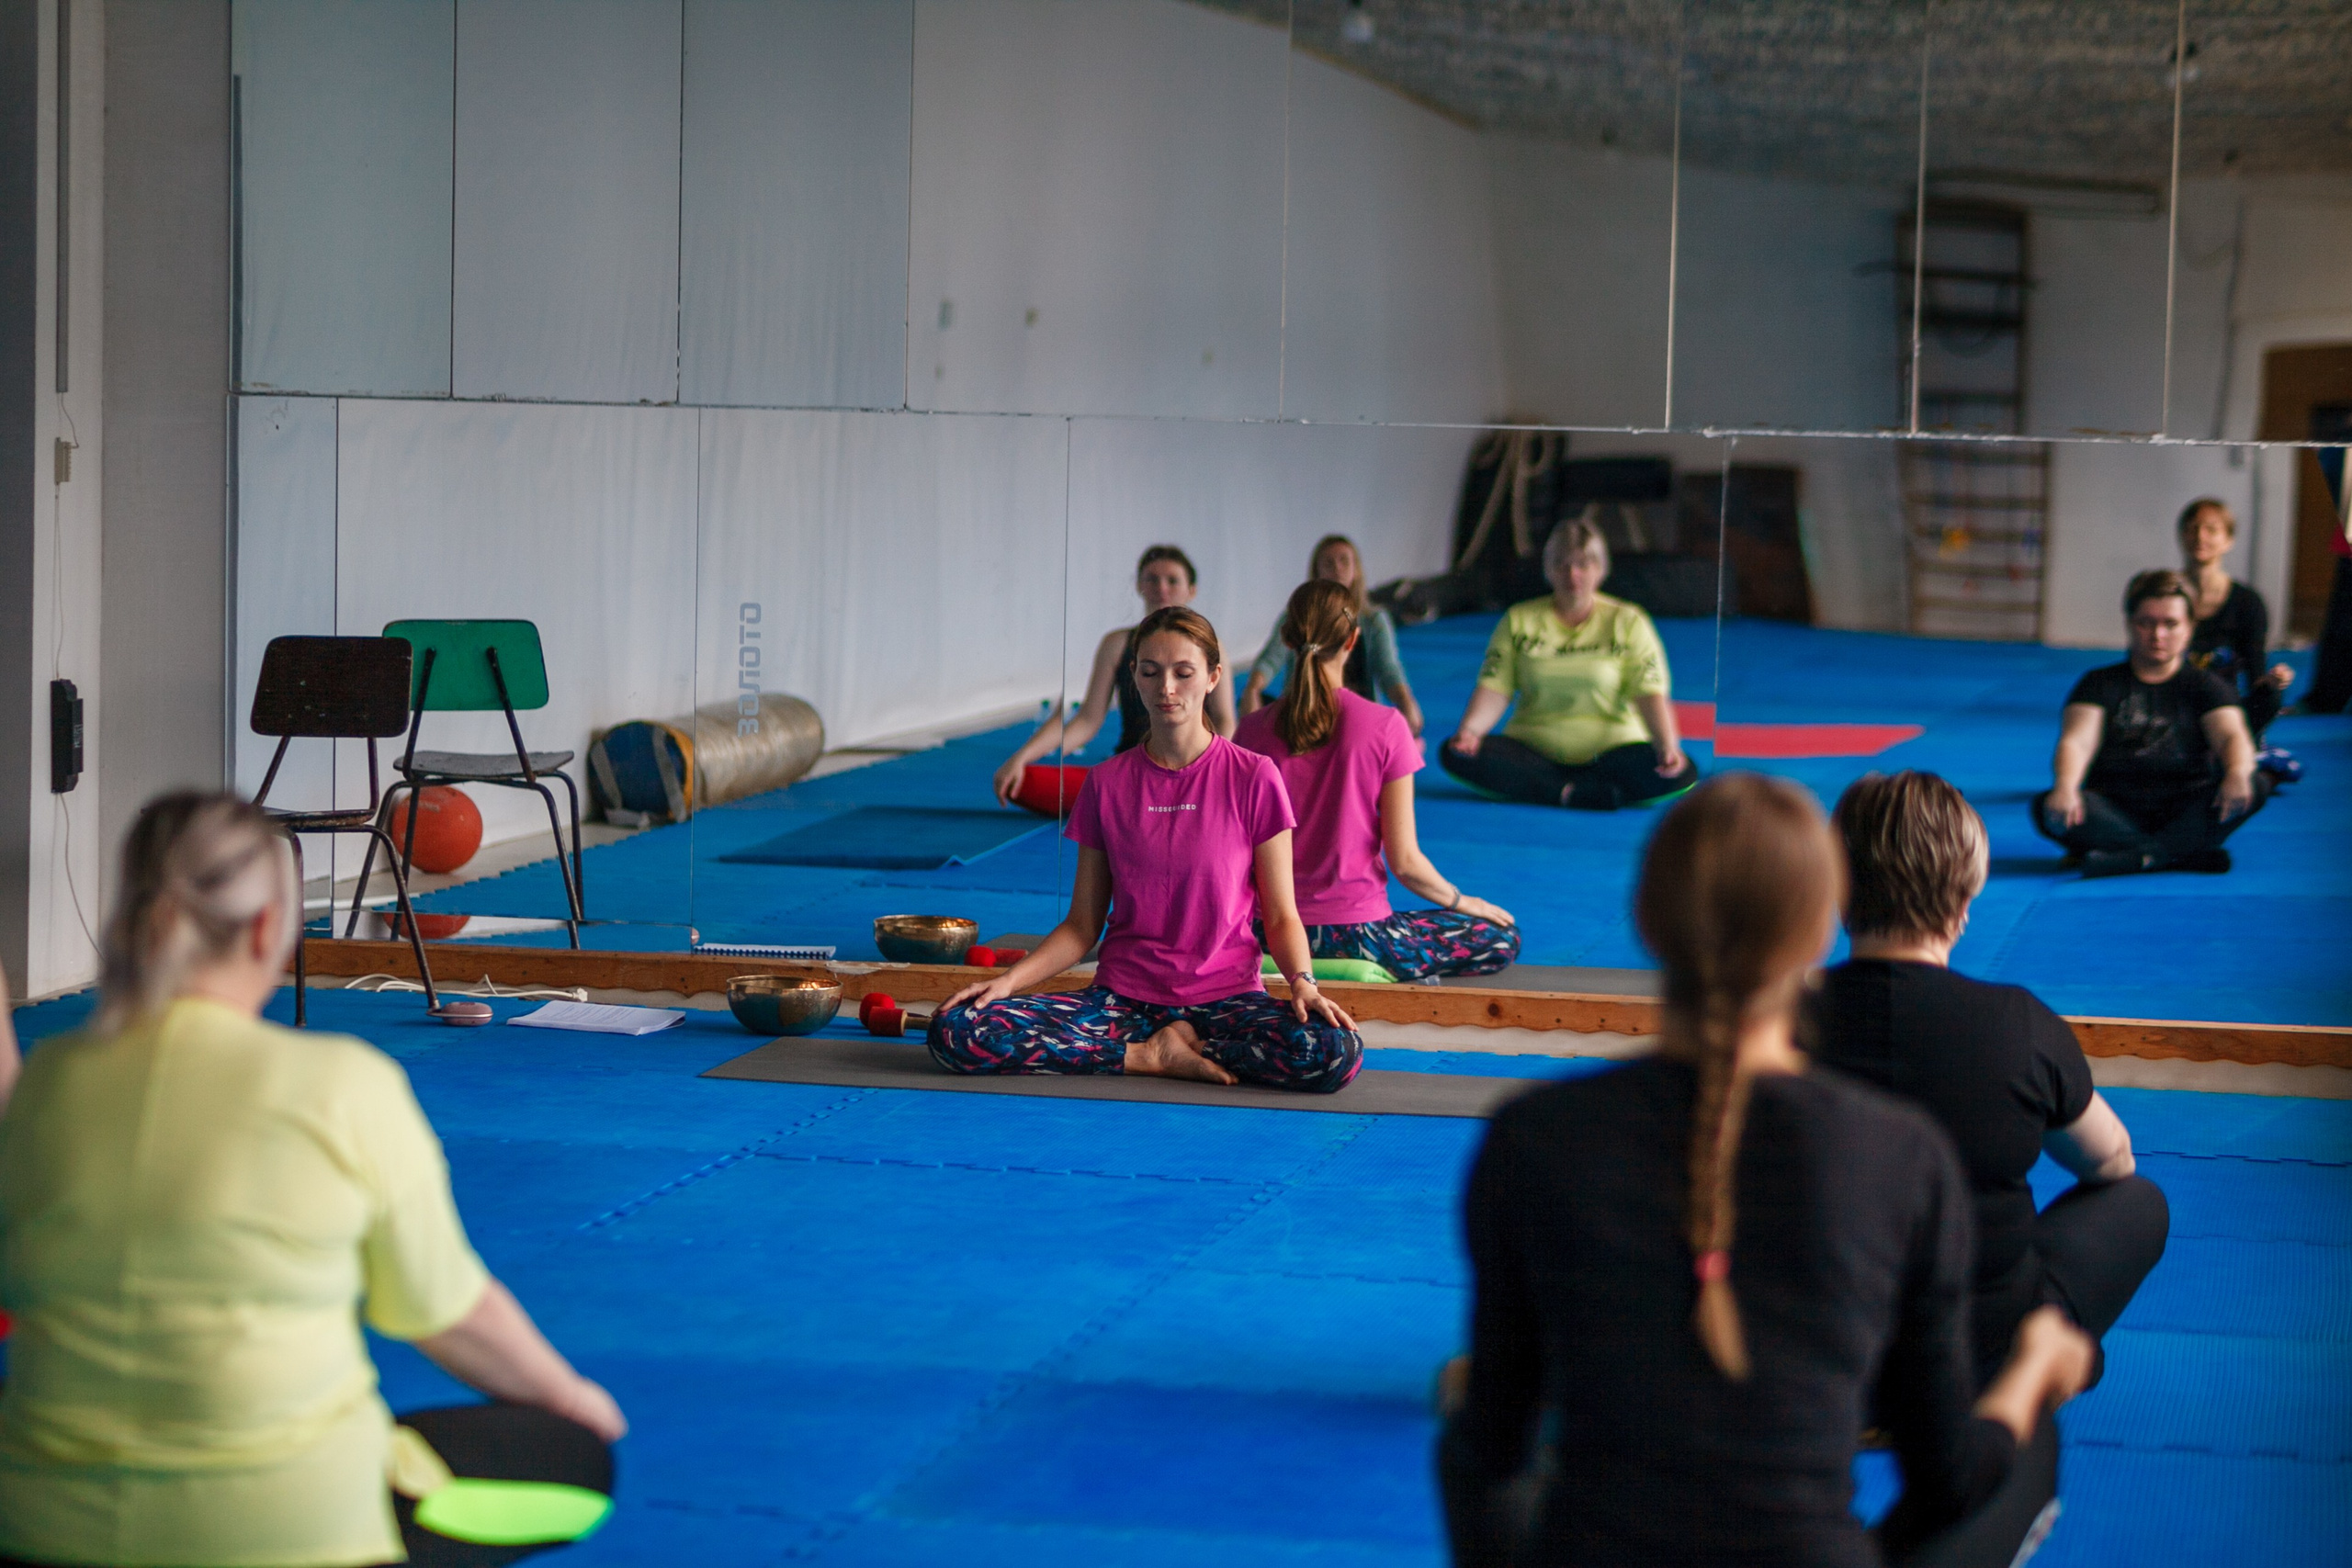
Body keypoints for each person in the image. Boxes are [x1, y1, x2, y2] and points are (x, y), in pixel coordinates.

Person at [1439, 774, 2095, 1568]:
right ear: (1823, 928)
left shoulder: (1532, 1136)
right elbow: (1946, 1479)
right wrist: (2032, 1371)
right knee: (2028, 1430)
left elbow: (1492, 1450)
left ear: (1648, 920)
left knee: (1467, 1416)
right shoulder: (1901, 1154)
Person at [0, 794, 626, 1568]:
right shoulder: (341, 1084)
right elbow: (447, 1312)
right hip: (294, 1535)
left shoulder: (46, 1085)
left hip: (44, 1530)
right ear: (269, 930)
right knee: (576, 1464)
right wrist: (572, 1400)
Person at [1812, 771, 2169, 1392]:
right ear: (1964, 900)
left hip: (1815, 1345)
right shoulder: (2017, 1023)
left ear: (1837, 892)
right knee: (2138, 1200)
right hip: (1979, 1353)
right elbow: (2111, 1162)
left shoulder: (1772, 1024)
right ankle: (2031, 1370)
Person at [937, 607, 1362, 1091]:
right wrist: (1008, 983)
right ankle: (1146, 1055)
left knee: (1332, 1052)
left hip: (1225, 1000)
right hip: (1124, 1001)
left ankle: (1185, 1047)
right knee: (958, 1028)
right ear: (1134, 678)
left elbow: (1283, 915)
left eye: (1183, 673)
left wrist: (1304, 983)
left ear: (1212, 678)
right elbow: (1081, 927)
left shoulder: (1254, 776)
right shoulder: (1107, 783)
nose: (1166, 689)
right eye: (1150, 672)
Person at [1235, 581, 1519, 981]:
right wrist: (1462, 900)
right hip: (1357, 936)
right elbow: (1405, 862)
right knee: (1502, 936)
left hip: (1266, 935)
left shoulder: (1249, 732)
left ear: (1286, 639)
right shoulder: (1385, 726)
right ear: (1353, 639)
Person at [1439, 520, 1697, 810]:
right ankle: (1574, 792)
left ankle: (1554, 791)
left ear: (1600, 569)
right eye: (1562, 565)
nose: (1573, 575)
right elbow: (1495, 688)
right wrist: (1470, 732)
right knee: (1454, 754)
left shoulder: (1630, 622)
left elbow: (1649, 694)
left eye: (1583, 565)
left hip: (1612, 753)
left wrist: (1666, 746)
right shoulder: (1518, 620)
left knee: (1682, 771)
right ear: (1548, 570)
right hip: (1533, 752)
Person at [2036, 568, 2271, 877]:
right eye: (2147, 623)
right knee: (2045, 807)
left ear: (2189, 628)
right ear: (2130, 624)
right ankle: (2180, 854)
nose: (2158, 635)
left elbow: (2231, 737)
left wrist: (2238, 772)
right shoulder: (2098, 683)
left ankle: (2137, 857)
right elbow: (2076, 741)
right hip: (2115, 808)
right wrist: (2066, 787)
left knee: (2257, 782)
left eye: (2170, 624)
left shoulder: (2208, 686)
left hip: (2186, 808)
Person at [991, 545, 1235, 807]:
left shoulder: (1211, 647)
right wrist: (1022, 757)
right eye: (1150, 671)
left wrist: (1207, 769)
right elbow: (1088, 718)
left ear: (1192, 590)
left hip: (1192, 765)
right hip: (1133, 769)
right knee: (1020, 782)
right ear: (1140, 585)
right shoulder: (1117, 644)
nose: (1162, 588)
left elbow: (1225, 720)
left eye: (1172, 581)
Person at [1239, 534, 1426, 738]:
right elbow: (1272, 658)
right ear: (1316, 572)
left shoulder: (1373, 620)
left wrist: (1406, 701)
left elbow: (1388, 668)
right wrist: (1252, 689)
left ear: (1356, 570)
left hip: (1359, 720)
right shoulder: (1296, 615)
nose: (1337, 568)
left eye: (1344, 561)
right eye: (1328, 563)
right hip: (1304, 715)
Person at [2177, 498, 2297, 753]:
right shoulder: (2166, 595)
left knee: (2271, 697)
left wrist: (2275, 681)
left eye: (2211, 529)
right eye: (2192, 528)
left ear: (2228, 540)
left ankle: (2237, 746)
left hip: (2224, 709)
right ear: (2182, 536)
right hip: (2174, 704)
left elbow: (2256, 676)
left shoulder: (2247, 602)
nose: (2200, 536)